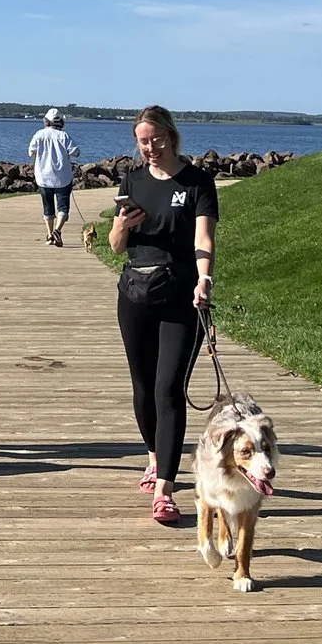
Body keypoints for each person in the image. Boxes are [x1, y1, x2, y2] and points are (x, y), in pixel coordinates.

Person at [108, 103, 218, 525]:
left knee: (168, 389)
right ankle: (154, 457)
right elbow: (117, 246)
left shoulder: (196, 182)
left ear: (171, 136)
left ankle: (165, 489)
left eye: (156, 139)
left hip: (180, 297)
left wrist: (203, 279)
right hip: (134, 294)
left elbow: (203, 237)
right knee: (142, 385)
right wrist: (123, 224)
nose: (150, 147)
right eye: (142, 141)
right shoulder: (132, 181)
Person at [28, 107, 79, 245]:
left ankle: (50, 235)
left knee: (47, 207)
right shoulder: (64, 136)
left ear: (46, 121)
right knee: (63, 207)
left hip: (43, 176)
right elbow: (76, 152)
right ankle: (58, 230)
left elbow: (31, 153)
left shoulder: (39, 134)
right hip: (63, 176)